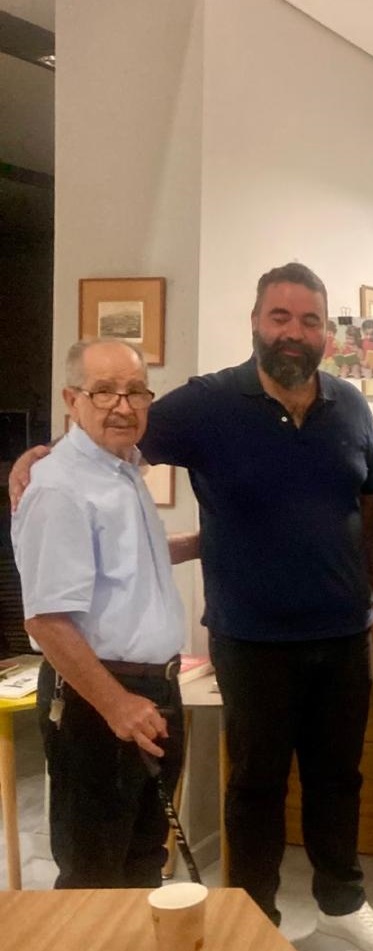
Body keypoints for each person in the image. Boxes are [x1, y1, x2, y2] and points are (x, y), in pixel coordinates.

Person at [10, 263, 373, 951]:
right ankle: (254, 920)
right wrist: (39, 458)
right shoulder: (207, 404)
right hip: (249, 641)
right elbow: (115, 435)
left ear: (326, 333)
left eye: (309, 320)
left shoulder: (349, 405)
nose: (293, 331)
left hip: (343, 634)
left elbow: (370, 499)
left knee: (338, 778)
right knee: (253, 787)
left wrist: (372, 583)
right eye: (280, 317)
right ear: (255, 323)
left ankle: (342, 903)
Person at [12, 339, 185, 888]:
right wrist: (117, 705)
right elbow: (45, 620)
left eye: (135, 392)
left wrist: (204, 544)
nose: (123, 406)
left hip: (152, 690)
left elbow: (123, 561)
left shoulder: (121, 469)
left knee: (141, 861)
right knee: (93, 876)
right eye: (104, 391)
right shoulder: (60, 487)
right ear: (72, 400)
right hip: (98, 700)